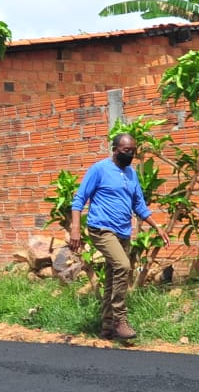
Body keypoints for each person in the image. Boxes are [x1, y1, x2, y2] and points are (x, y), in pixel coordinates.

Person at [67, 133, 166, 342]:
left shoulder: (131, 174)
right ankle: (120, 320)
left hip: (123, 232)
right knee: (123, 266)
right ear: (115, 149)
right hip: (101, 228)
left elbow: (138, 205)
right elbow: (79, 200)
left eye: (133, 151)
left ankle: (107, 328)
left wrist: (156, 226)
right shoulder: (99, 169)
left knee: (113, 277)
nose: (130, 154)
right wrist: (75, 229)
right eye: (125, 151)